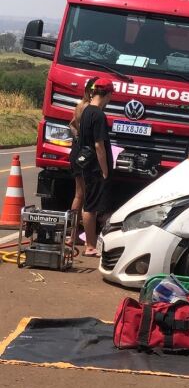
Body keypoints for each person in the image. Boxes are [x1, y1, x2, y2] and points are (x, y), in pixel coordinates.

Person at [78, 77, 114, 257]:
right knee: (91, 205)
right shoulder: (99, 115)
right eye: (110, 95)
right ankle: (90, 245)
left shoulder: (86, 111)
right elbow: (99, 145)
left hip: (86, 162)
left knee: (89, 203)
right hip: (95, 166)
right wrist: (105, 169)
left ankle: (90, 243)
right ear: (107, 94)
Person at [68, 76, 98, 223]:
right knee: (85, 196)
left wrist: (78, 138)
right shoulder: (91, 109)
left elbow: (72, 124)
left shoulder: (80, 105)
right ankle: (79, 234)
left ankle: (72, 234)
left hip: (77, 152)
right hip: (86, 155)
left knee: (78, 194)